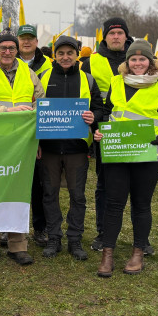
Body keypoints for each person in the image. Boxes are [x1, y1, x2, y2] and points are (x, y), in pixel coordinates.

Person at [93, 40, 158, 277]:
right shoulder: (116, 82)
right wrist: (100, 129)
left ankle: (137, 252)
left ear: (151, 62)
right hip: (118, 152)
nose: (138, 63)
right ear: (127, 62)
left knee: (141, 204)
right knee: (114, 203)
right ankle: (108, 254)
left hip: (149, 154)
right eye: (133, 59)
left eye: (143, 59)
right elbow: (107, 111)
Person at [0, 31, 45, 267]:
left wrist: (38, 141)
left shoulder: (29, 73)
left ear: (17, 50)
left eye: (12, 48)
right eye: (2, 48)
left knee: (18, 193)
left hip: (23, 143)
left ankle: (18, 245)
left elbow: (41, 106)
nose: (7, 52)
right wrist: (7, 111)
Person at [38, 36, 103, 260]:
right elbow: (34, 111)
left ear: (77, 55)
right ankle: (54, 236)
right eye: (61, 53)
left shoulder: (88, 79)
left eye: (70, 53)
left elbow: (99, 109)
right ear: (54, 55)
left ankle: (74, 238)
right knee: (50, 193)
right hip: (49, 147)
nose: (65, 57)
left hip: (77, 147)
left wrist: (94, 116)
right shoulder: (43, 77)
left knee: (78, 196)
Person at [80, 17, 133, 252]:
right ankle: (103, 232)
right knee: (104, 184)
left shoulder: (139, 59)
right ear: (105, 37)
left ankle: (141, 238)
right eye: (112, 33)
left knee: (138, 187)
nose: (116, 37)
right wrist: (97, 126)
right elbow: (86, 95)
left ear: (126, 36)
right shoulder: (91, 62)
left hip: (135, 132)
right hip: (104, 130)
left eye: (120, 33)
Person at [16, 24, 53, 247]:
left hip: (37, 129)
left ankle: (40, 227)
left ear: (37, 42)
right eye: (23, 39)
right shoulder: (7, 62)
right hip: (11, 131)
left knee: (39, 184)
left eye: (30, 38)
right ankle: (8, 229)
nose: (27, 42)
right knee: (11, 181)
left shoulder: (49, 66)